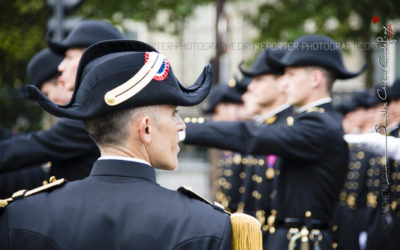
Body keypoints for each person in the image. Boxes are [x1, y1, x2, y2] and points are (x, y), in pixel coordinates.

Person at [0, 39, 262, 250]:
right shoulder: (209, 225)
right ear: (145, 128)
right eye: (173, 113)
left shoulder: (21, 215)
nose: (182, 126)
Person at [184, 34, 366, 249]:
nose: (284, 82)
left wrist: (183, 129)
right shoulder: (314, 121)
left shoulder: (319, 124)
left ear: (315, 78)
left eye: (290, 74)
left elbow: (250, 135)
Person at [0, 20, 124, 181]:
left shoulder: (96, 116)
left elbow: (32, 147)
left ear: (94, 58)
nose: (60, 67)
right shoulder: (99, 110)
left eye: (69, 57)